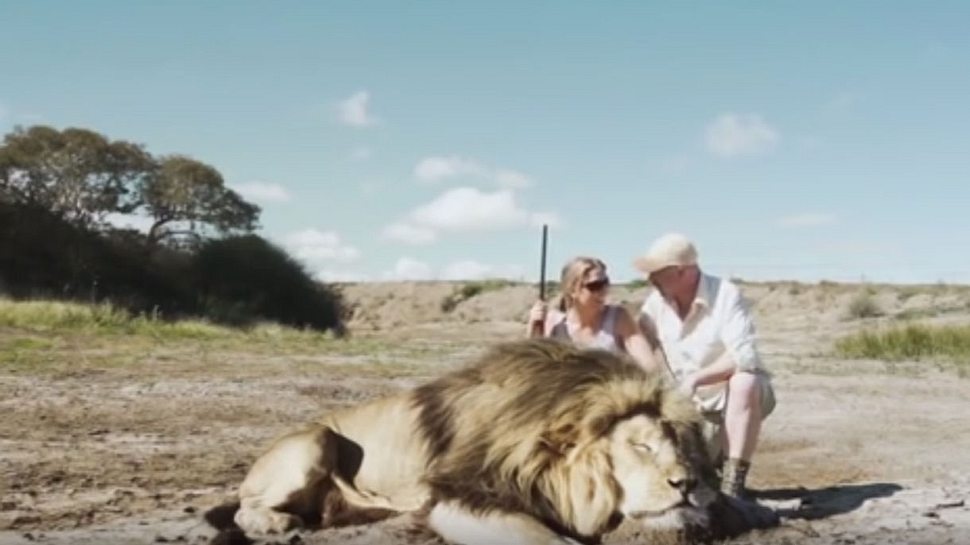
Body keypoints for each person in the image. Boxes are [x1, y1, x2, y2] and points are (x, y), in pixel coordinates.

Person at [633, 233, 776, 500]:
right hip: (689, 411)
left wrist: (696, 379)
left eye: (656, 273)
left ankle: (734, 488)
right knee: (693, 475)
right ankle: (711, 466)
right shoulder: (655, 304)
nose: (649, 280)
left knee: (746, 381)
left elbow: (743, 356)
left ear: (682, 272)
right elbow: (636, 345)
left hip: (728, 402)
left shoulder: (725, 295)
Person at [526, 256, 660, 373]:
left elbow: (649, 366)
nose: (603, 291)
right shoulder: (553, 323)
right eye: (595, 286)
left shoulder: (618, 318)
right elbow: (531, 367)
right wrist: (533, 327)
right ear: (572, 290)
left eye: (605, 283)